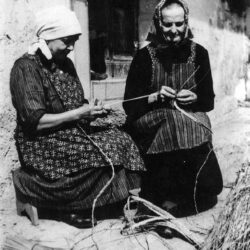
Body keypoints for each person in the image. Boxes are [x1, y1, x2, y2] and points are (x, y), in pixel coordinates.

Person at [10, 6, 145, 228]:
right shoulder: (25, 68)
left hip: (70, 132)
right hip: (40, 141)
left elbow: (78, 103)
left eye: (75, 40)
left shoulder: (66, 64)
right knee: (101, 150)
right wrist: (79, 113)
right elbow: (35, 121)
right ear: (48, 37)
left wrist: (90, 110)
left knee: (121, 139)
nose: (71, 46)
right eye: (66, 40)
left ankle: (102, 198)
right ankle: (59, 202)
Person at [123, 0, 223, 217]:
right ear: (159, 23)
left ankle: (199, 186)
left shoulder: (200, 54)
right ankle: (159, 196)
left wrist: (195, 97)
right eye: (168, 25)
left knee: (199, 122)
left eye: (179, 24)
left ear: (186, 22)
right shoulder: (144, 56)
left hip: (188, 116)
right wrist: (154, 96)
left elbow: (209, 101)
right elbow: (129, 104)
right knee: (174, 122)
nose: (174, 30)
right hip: (150, 119)